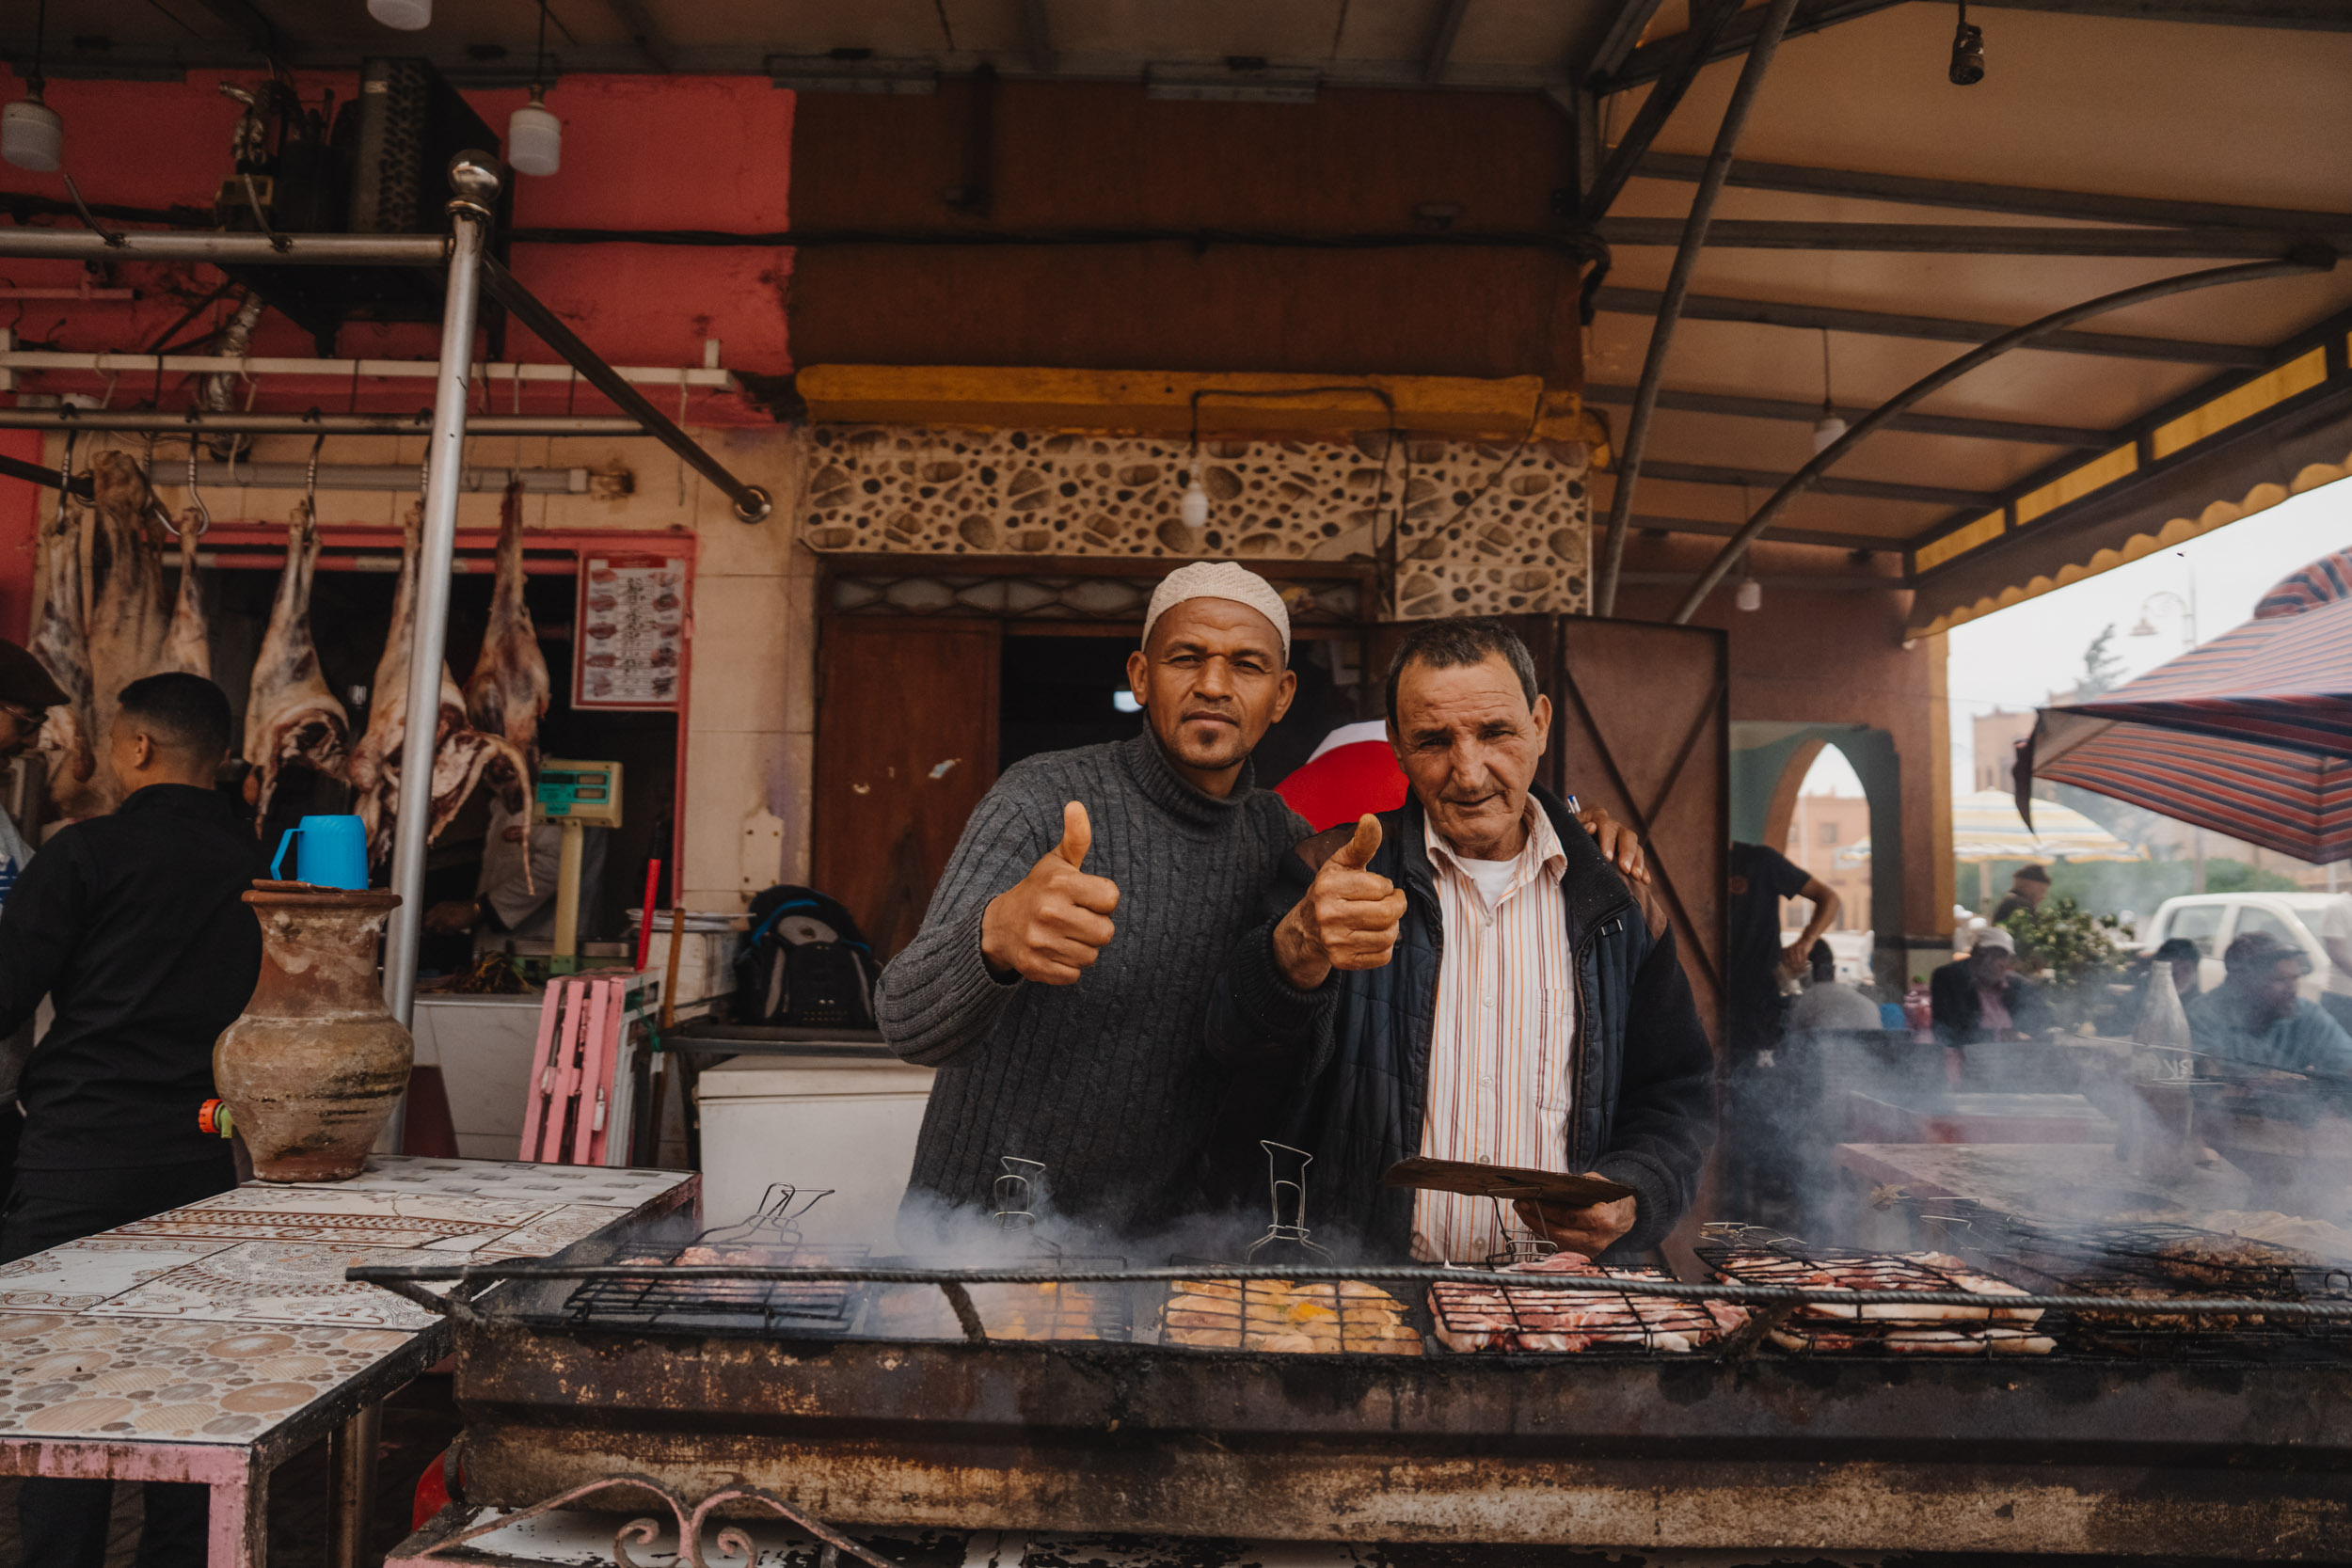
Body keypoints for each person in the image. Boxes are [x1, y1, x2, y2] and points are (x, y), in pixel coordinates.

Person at [878, 567, 1643, 1239]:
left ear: (1280, 697)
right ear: (1142, 676)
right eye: (1187, 658)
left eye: (1245, 664)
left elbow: (1286, 1055)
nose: (1214, 683)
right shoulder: (1043, 798)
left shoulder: (1289, 847)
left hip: (1158, 1256)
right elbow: (906, 1021)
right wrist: (993, 940)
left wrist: (1577, 831)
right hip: (979, 1235)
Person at [1211, 618, 1711, 1264]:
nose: (1469, 773)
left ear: (1540, 722)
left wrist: (1635, 1192)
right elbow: (1237, 1072)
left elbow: (1677, 1095)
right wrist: (1293, 955)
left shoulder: (1617, 903)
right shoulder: (1330, 878)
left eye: (1496, 732)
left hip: (1564, 1303)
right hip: (1375, 1300)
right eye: (1433, 740)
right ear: (1395, 743)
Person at [0, 672, 265, 1568]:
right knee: (178, 1383)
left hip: (78, 1154)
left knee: (67, 1387)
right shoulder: (258, 866)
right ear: (218, 755)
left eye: (114, 743)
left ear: (140, 748)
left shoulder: (85, 852)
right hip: (199, 1154)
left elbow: (5, 997)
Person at [1726, 839, 1838, 1062]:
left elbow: (1829, 898)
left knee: (1756, 1084)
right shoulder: (1687, 861)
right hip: (1702, 999)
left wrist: (1805, 943)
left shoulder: (1759, 861)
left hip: (1759, 1001)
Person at [2185, 930, 2352, 1077]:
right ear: (2241, 983)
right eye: (2279, 979)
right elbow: (2209, 1082)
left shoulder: (2306, 1014)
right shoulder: (2203, 1016)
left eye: (2295, 978)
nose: (2292, 989)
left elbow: (2347, 1064)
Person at [1930, 926, 2045, 1047]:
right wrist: (2001, 1037)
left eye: (2002, 956)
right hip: (1968, 1058)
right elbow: (1948, 1030)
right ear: (1975, 955)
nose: (1996, 963)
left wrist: (2048, 1033)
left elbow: (2043, 1021)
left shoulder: (2017, 985)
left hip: (2016, 1057)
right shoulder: (1949, 979)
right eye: (1990, 955)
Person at [1789, 938, 1883, 1032]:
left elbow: (1792, 1035)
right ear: (1833, 969)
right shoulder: (1868, 1004)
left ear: (1807, 971)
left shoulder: (1806, 1002)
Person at [1991, 863, 2051, 927]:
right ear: (2029, 885)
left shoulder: (2009, 900)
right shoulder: (2020, 904)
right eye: (2042, 890)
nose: (2043, 897)